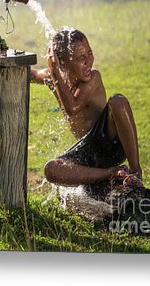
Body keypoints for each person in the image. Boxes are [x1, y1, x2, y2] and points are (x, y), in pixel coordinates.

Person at [30, 28, 143, 189]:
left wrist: (54, 72)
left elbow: (72, 107)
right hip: (87, 154)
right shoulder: (54, 76)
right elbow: (32, 74)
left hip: (111, 146)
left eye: (89, 54)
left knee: (118, 101)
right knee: (52, 169)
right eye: (81, 58)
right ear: (63, 62)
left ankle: (135, 172)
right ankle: (111, 173)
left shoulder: (92, 78)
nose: (88, 62)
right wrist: (1, 58)